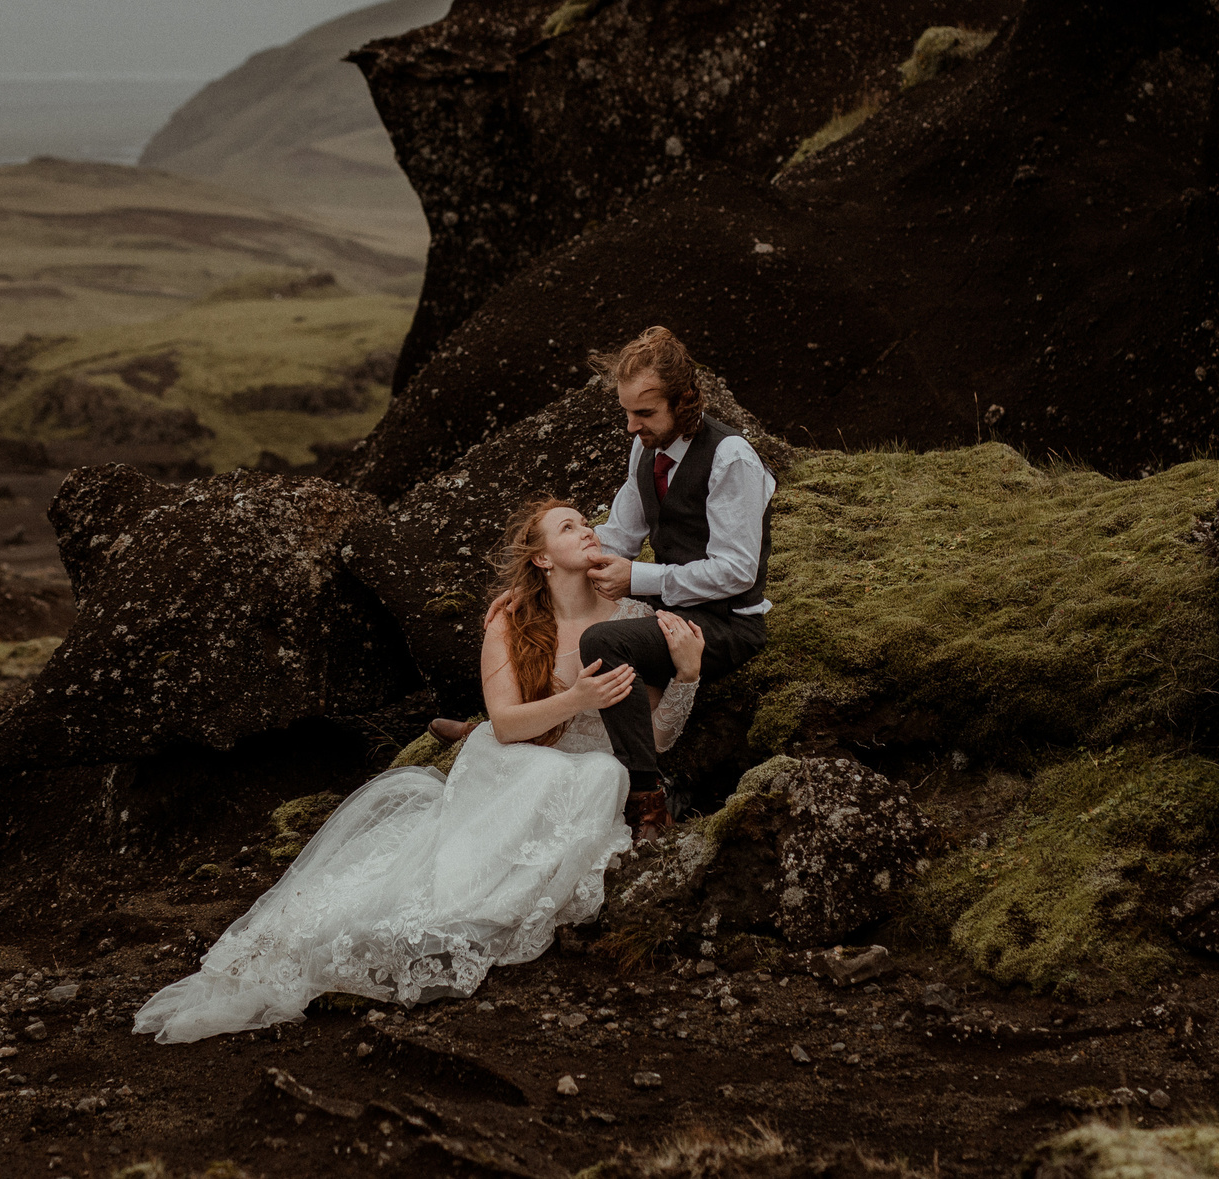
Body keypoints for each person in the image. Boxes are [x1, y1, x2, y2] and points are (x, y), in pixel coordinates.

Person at [132, 497, 703, 1044]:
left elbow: (653, 739)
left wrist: (686, 675)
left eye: (587, 522)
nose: (588, 530)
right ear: (542, 558)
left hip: (588, 772)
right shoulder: (511, 621)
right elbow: (505, 724)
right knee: (527, 787)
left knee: (600, 775)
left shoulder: (634, 618)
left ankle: (478, 900)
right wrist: (578, 697)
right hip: (516, 759)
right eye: (569, 526)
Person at [581, 325, 776, 843]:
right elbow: (618, 536)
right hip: (671, 610)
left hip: (727, 623)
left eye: (644, 414)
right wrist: (547, 576)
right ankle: (530, 732)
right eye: (626, 412)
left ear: (684, 401)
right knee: (562, 613)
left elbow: (736, 570)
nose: (631, 426)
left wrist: (638, 579)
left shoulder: (731, 457)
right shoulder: (646, 449)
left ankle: (648, 800)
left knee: (603, 641)